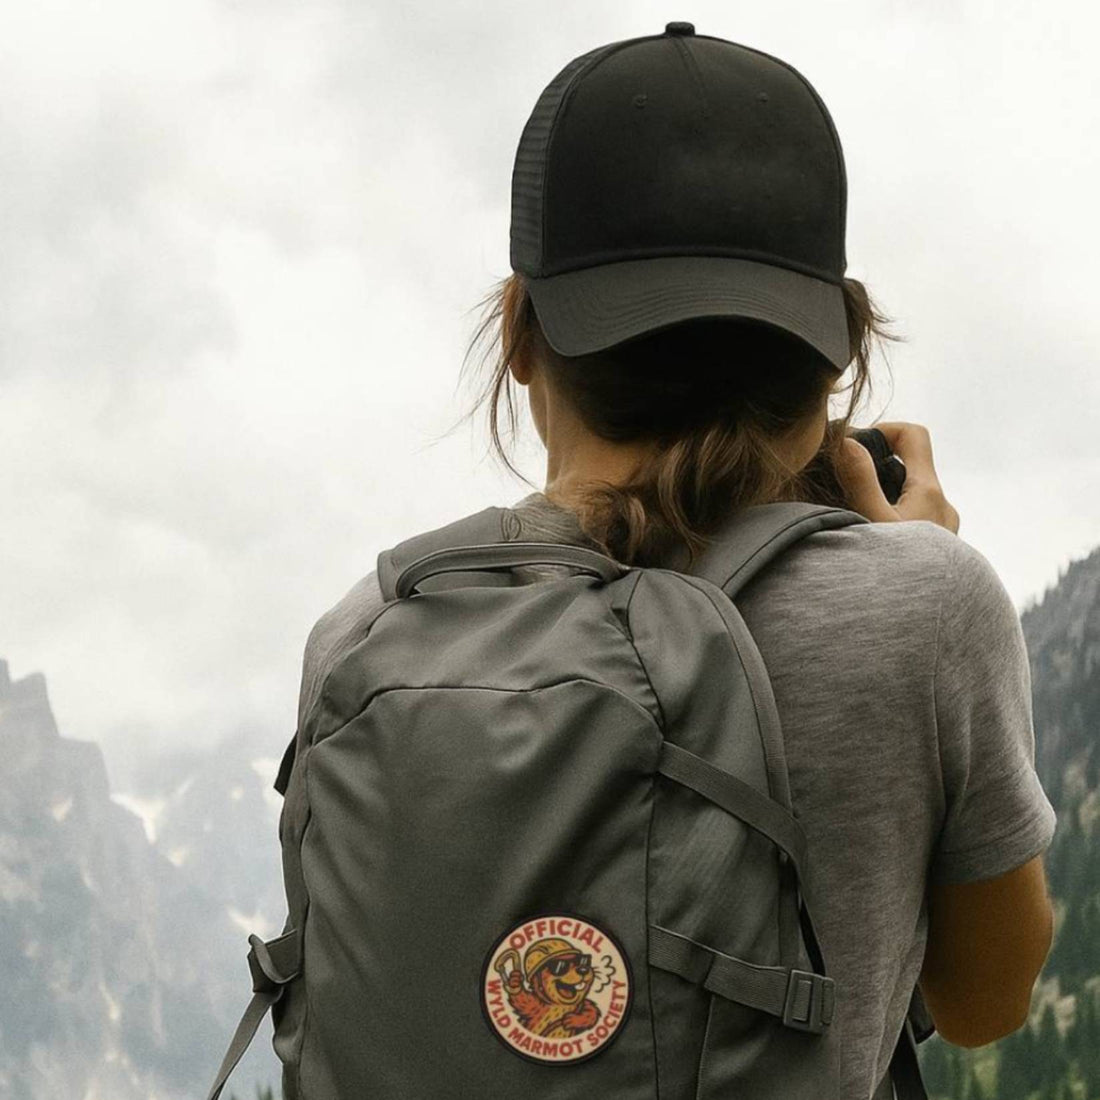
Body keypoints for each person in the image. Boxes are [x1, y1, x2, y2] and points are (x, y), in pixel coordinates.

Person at [297, 23, 1057, 1100]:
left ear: (518, 335)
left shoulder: (367, 629)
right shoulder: (922, 606)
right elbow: (986, 999)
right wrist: (919, 564)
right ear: (832, 353)